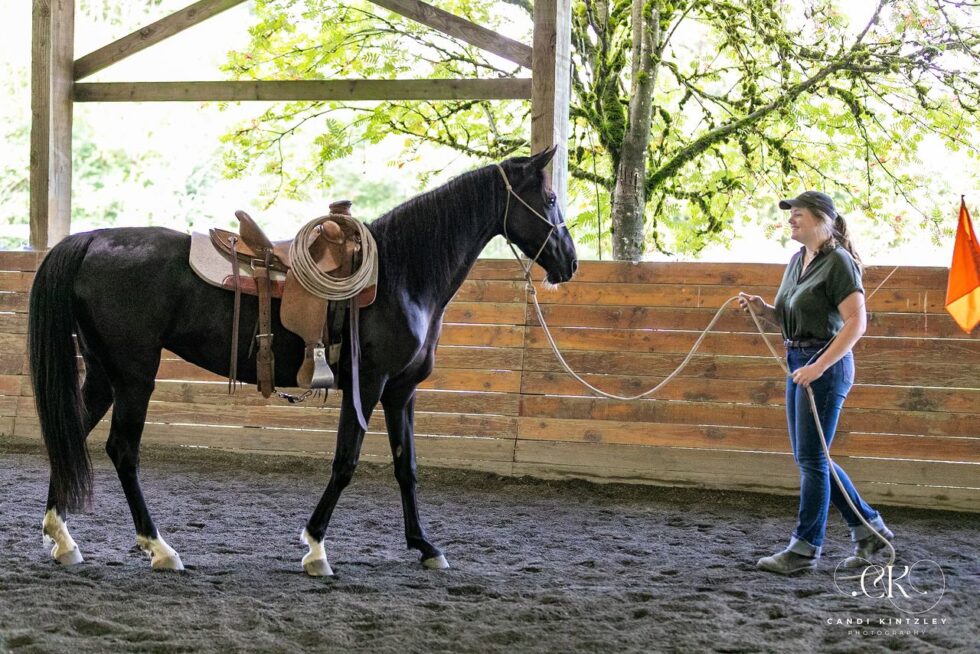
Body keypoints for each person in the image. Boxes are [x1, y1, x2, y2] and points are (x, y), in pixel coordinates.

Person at [738, 191, 894, 575]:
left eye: (799, 214)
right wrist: (763, 310)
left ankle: (805, 549)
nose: (791, 220)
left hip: (825, 367)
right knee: (812, 458)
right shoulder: (797, 261)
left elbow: (856, 323)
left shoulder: (839, 262)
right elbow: (790, 318)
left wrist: (819, 366)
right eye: (791, 214)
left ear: (823, 220)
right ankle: (869, 528)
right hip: (799, 363)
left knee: (811, 460)